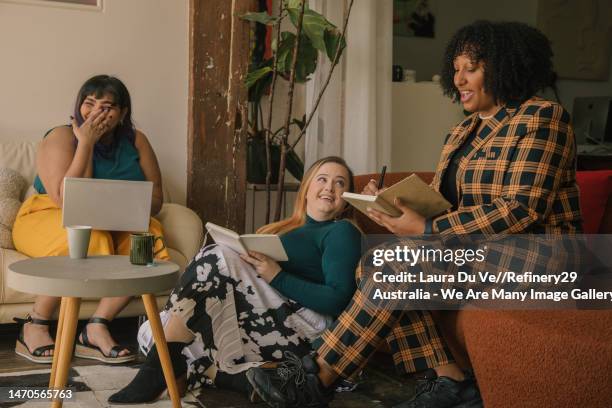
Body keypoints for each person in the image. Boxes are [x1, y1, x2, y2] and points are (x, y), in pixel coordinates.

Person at [247, 20, 582, 408]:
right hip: (478, 250)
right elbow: (440, 200)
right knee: (373, 263)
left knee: (397, 264)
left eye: (470, 69)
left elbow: (522, 208)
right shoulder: (461, 132)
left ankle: (319, 374)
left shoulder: (542, 117)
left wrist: (427, 227)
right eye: (455, 69)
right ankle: (450, 378)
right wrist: (390, 202)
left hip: (538, 255)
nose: (458, 79)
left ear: (505, 67)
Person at [108, 156, 363, 404]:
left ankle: (161, 366)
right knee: (152, 329)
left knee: (215, 256)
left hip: (304, 329)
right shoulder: (284, 229)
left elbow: (337, 299)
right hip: (266, 320)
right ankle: (234, 378)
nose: (329, 187)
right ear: (306, 189)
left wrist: (276, 275)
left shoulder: (342, 231)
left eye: (340, 183)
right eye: (322, 179)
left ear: (346, 201)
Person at [12, 75, 170, 364]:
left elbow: (157, 201)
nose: (96, 112)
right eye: (89, 104)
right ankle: (34, 325)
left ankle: (97, 326)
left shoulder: (137, 141)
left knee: (147, 242)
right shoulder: (60, 136)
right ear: (78, 106)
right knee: (88, 237)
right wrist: (86, 142)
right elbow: (64, 199)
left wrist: (123, 206)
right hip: (47, 214)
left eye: (108, 106)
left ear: (123, 113)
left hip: (117, 219)